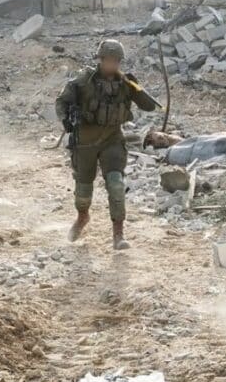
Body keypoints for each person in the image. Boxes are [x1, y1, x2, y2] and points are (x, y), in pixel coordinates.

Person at [55, 39, 157, 249]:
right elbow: (61, 101)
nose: (112, 65)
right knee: (83, 188)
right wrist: (66, 120)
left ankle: (118, 234)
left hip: (112, 139)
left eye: (116, 61)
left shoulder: (125, 84)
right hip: (85, 142)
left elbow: (148, 107)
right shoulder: (84, 81)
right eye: (108, 60)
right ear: (100, 60)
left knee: (116, 185)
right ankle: (82, 217)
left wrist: (136, 87)